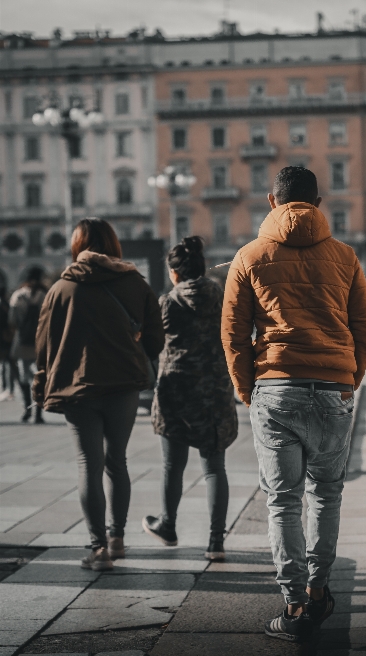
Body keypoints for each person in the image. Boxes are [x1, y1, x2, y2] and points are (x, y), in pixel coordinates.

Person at [221, 167, 366, 643]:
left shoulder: (248, 256)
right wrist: (347, 379)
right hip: (333, 389)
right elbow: (365, 329)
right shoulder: (345, 256)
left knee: (283, 500)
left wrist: (248, 390)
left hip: (275, 387)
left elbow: (232, 334)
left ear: (272, 201)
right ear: (319, 202)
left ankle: (293, 604)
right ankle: (320, 587)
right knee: (326, 494)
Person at [33, 218, 164, 571]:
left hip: (77, 389)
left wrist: (40, 384)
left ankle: (98, 548)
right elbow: (156, 339)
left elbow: (43, 346)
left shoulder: (61, 288)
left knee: (88, 466)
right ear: (114, 244)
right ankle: (118, 537)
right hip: (121, 385)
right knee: (116, 461)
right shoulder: (134, 283)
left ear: (77, 245)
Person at [143, 237, 238, 560]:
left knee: (173, 465)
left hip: (176, 392)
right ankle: (216, 542)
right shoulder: (222, 297)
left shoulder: (167, 302)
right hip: (215, 391)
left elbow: (153, 344)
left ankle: (168, 526)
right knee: (214, 467)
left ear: (174, 272)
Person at [9, 267, 48, 422]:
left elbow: (11, 321)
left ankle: (27, 410)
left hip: (21, 341)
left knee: (23, 376)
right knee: (40, 376)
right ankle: (38, 413)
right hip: (39, 342)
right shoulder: (43, 296)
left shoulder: (18, 296)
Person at [0, 283, 16, 402]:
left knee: (6, 365)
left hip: (3, 339)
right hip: (8, 338)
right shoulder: (6, 304)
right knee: (9, 364)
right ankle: (9, 389)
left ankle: (7, 388)